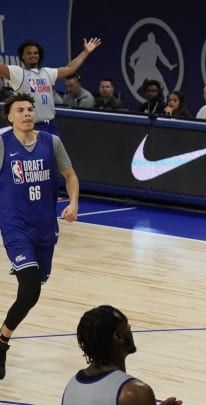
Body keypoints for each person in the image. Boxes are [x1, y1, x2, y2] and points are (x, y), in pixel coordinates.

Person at [0, 93, 80, 379]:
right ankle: (2, 343)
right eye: (20, 110)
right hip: (15, 226)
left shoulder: (51, 142)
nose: (27, 113)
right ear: (9, 116)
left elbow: (70, 175)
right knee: (30, 285)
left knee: (32, 294)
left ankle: (2, 337)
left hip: (45, 227)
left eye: (30, 109)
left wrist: (73, 203)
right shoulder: (2, 142)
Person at [61, 305, 182, 405]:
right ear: (118, 337)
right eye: (126, 325)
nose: (130, 327)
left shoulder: (72, 387)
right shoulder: (134, 392)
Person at [0, 37, 102, 135]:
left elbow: (70, 68)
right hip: (29, 126)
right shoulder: (18, 73)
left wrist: (85, 52)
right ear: (22, 56)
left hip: (50, 125)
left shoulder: (47, 72)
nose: (33, 55)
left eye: (35, 53)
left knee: (55, 153)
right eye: (29, 53)